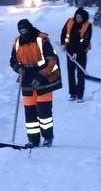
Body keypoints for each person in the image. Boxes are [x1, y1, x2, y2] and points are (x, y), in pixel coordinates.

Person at [9, 18, 62, 147]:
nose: (23, 33)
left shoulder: (41, 39)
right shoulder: (17, 43)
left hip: (43, 80)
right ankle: (33, 140)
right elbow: (13, 61)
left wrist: (40, 76)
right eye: (21, 31)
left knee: (44, 112)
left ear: (30, 28)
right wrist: (18, 68)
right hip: (27, 81)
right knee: (30, 112)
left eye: (25, 30)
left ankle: (48, 137)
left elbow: (51, 60)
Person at [60, 7, 93, 102]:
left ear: (84, 18)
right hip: (69, 51)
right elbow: (63, 33)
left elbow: (86, 41)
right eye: (77, 16)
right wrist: (63, 44)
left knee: (80, 74)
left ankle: (80, 95)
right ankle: (72, 94)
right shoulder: (70, 21)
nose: (78, 19)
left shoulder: (88, 25)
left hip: (81, 52)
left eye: (80, 17)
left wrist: (77, 53)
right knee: (70, 73)